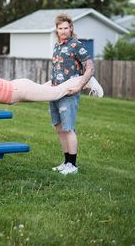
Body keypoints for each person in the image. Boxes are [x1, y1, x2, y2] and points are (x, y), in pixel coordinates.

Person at [49, 13, 103, 176]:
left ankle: (72, 165)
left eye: (66, 28)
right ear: (57, 30)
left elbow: (90, 68)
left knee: (68, 128)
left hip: (70, 93)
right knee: (58, 128)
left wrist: (80, 85)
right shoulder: (57, 46)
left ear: (71, 28)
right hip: (54, 93)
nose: (63, 31)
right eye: (60, 28)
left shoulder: (76, 45)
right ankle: (66, 162)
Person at [0, 58, 102, 111]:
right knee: (46, 90)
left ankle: (86, 80)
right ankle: (59, 81)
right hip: (17, 94)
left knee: (56, 94)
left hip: (20, 89)